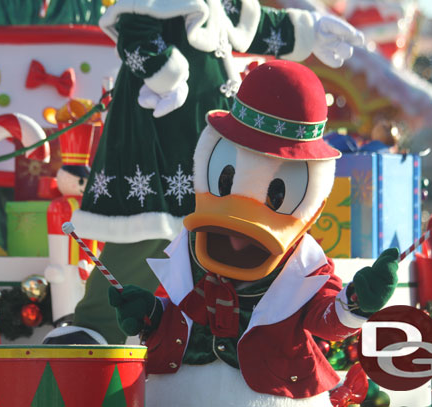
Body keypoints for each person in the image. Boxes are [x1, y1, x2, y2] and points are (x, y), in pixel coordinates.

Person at [45, 0, 365, 345]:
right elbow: (134, 30)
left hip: (210, 135)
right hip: (161, 132)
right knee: (145, 231)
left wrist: (308, 31)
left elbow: (243, 22)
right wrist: (165, 74)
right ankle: (98, 327)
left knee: (215, 234)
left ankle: (210, 330)